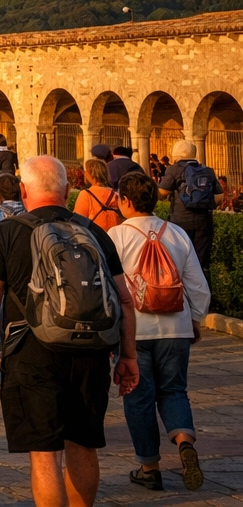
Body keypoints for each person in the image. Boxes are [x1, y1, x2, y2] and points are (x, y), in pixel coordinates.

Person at [0, 155, 140, 507]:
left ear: (23, 190)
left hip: (30, 353)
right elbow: (125, 300)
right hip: (91, 350)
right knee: (83, 444)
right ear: (67, 189)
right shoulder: (94, 232)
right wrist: (128, 356)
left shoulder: (7, 232)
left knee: (45, 454)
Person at [108, 171, 210, 491]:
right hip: (175, 327)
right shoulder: (177, 233)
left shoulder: (116, 236)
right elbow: (198, 286)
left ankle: (149, 467)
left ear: (125, 201)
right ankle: (183, 442)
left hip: (133, 331)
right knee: (174, 390)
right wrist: (194, 319)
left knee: (138, 397)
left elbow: (108, 290)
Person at [158, 141, 218, 275]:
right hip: (204, 221)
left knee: (180, 261)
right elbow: (219, 197)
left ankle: (182, 294)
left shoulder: (174, 169)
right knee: (201, 263)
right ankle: (204, 293)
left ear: (175, 153)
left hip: (180, 221)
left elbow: (163, 192)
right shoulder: (207, 170)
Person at [72, 158, 122, 232]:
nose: (84, 173)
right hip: (113, 237)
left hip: (95, 238)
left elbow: (78, 223)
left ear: (91, 174)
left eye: (86, 171)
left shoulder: (86, 195)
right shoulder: (115, 195)